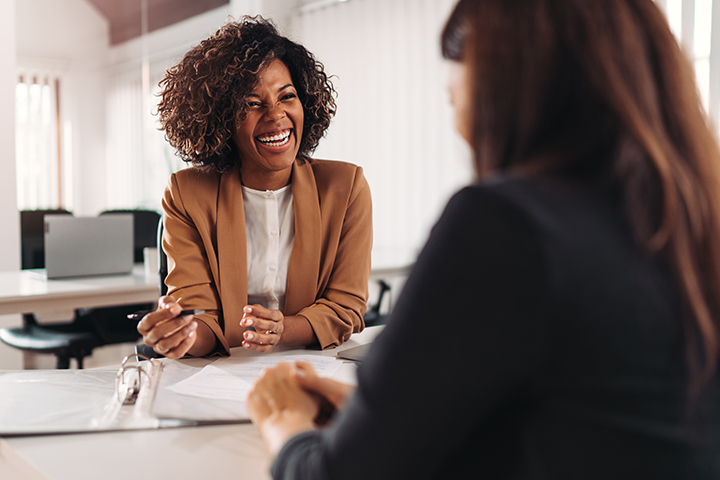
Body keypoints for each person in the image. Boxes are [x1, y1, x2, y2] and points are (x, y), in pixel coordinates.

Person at [246, 0, 720, 478]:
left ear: (507, 94)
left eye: (455, 101)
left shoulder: (505, 226)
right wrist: (387, 417)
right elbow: (587, 426)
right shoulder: (689, 222)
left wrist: (284, 423)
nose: (460, 129)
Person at [137, 17, 372, 358]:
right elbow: (200, 317)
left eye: (286, 96)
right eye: (252, 103)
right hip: (220, 374)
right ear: (221, 118)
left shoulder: (346, 187)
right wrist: (182, 334)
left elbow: (345, 307)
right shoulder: (187, 194)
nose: (276, 115)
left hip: (311, 366)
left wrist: (282, 330)